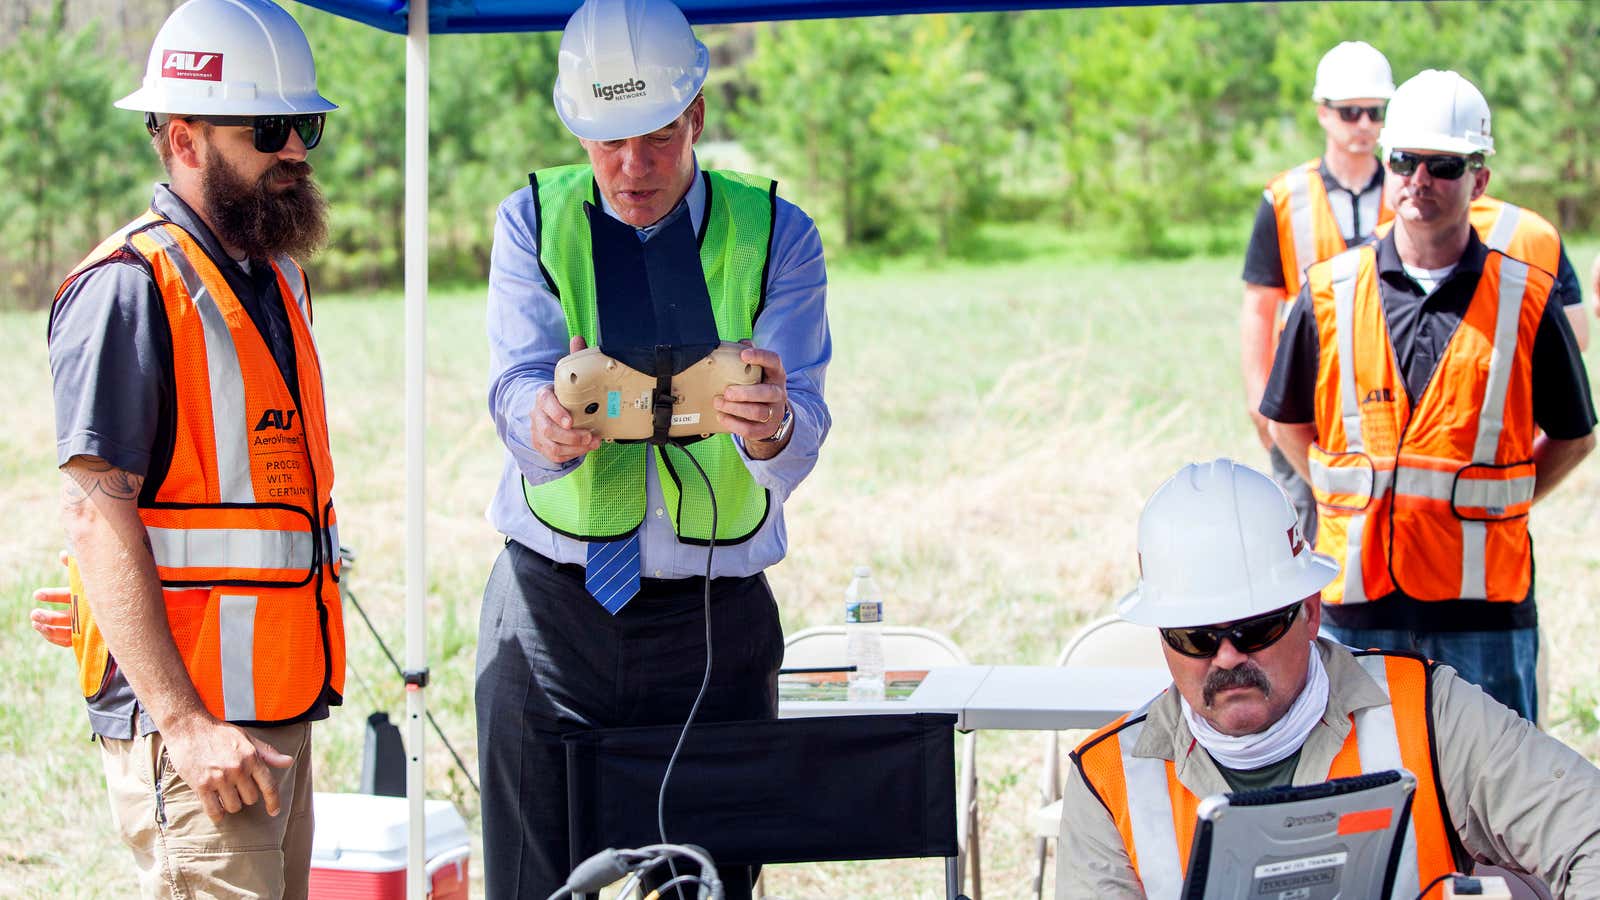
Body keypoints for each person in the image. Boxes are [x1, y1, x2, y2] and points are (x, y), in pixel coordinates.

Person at [474, 0, 830, 897]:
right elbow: (514, 380)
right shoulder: (531, 220)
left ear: (697, 115)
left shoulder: (778, 233)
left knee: (709, 883)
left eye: (658, 139)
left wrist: (775, 424)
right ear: (574, 128)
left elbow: (807, 422)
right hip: (551, 610)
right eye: (608, 144)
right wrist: (539, 425)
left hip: (715, 619)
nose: (632, 169)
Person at [47, 0, 343, 896]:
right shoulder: (129, 289)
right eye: (270, 127)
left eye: (308, 125)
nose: (295, 148)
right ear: (184, 138)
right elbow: (97, 515)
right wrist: (183, 724)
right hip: (198, 739)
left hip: (272, 720)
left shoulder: (270, 279)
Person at [1057, 459, 1600, 899]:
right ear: (1163, 639)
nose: (1225, 658)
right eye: (1195, 638)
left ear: (1311, 612)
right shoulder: (1109, 782)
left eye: (1256, 628)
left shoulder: (1429, 712)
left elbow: (1588, 831)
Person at [1261, 70, 1595, 721]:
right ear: (1387, 164)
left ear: (1479, 179)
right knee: (1361, 804)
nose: (1419, 179)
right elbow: (1288, 424)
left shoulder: (1527, 299)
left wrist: (1505, 500)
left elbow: (1575, 437)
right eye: (1405, 159)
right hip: (1355, 607)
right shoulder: (1328, 292)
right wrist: (1342, 496)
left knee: (1493, 809)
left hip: (1486, 616)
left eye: (1442, 164)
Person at [1240, 40, 1395, 545]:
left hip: (1383, 392)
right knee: (1303, 532)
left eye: (1374, 112)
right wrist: (1259, 398)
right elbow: (1260, 306)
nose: (1365, 125)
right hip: (1305, 393)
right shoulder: (1285, 197)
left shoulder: (1409, 191)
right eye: (1351, 112)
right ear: (1323, 113)